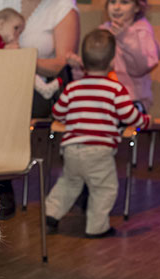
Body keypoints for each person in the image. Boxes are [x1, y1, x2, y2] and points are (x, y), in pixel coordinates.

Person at [0, 0, 79, 219]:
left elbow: (60, 64)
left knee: (0, 103)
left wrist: (21, 57)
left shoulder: (62, 7)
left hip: (38, 86)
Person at [45, 29, 150, 239]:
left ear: (83, 61)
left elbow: (58, 113)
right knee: (104, 188)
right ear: (112, 62)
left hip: (72, 149)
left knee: (69, 183)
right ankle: (97, 227)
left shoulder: (73, 88)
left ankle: (51, 214)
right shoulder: (115, 90)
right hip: (99, 151)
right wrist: (145, 121)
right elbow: (130, 115)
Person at [68, 0, 159, 110]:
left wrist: (125, 38)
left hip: (131, 101)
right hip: (104, 99)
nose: (117, 7)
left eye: (124, 2)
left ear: (137, 7)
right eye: (112, 2)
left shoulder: (142, 31)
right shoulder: (102, 32)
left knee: (132, 121)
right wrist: (78, 67)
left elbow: (141, 68)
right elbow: (94, 68)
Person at [0, 8, 63, 100]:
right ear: (1, 24)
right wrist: (7, 48)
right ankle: (43, 88)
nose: (17, 34)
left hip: (2, 80)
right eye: (15, 28)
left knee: (27, 70)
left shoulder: (3, 42)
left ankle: (43, 87)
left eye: (20, 32)